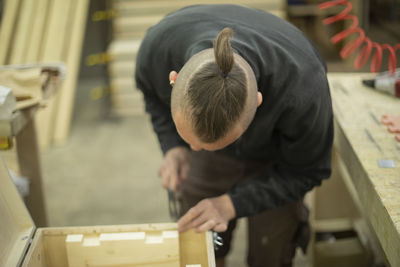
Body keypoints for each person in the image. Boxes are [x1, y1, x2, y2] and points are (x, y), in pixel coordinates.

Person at [135, 4, 333, 267]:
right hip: (218, 162)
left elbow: (307, 170)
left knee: (272, 253)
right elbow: (150, 93)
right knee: (198, 248)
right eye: (191, 139)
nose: (193, 148)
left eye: (202, 144)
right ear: (174, 78)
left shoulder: (304, 90)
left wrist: (232, 204)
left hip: (278, 161)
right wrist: (173, 146)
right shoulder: (161, 45)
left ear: (259, 102)